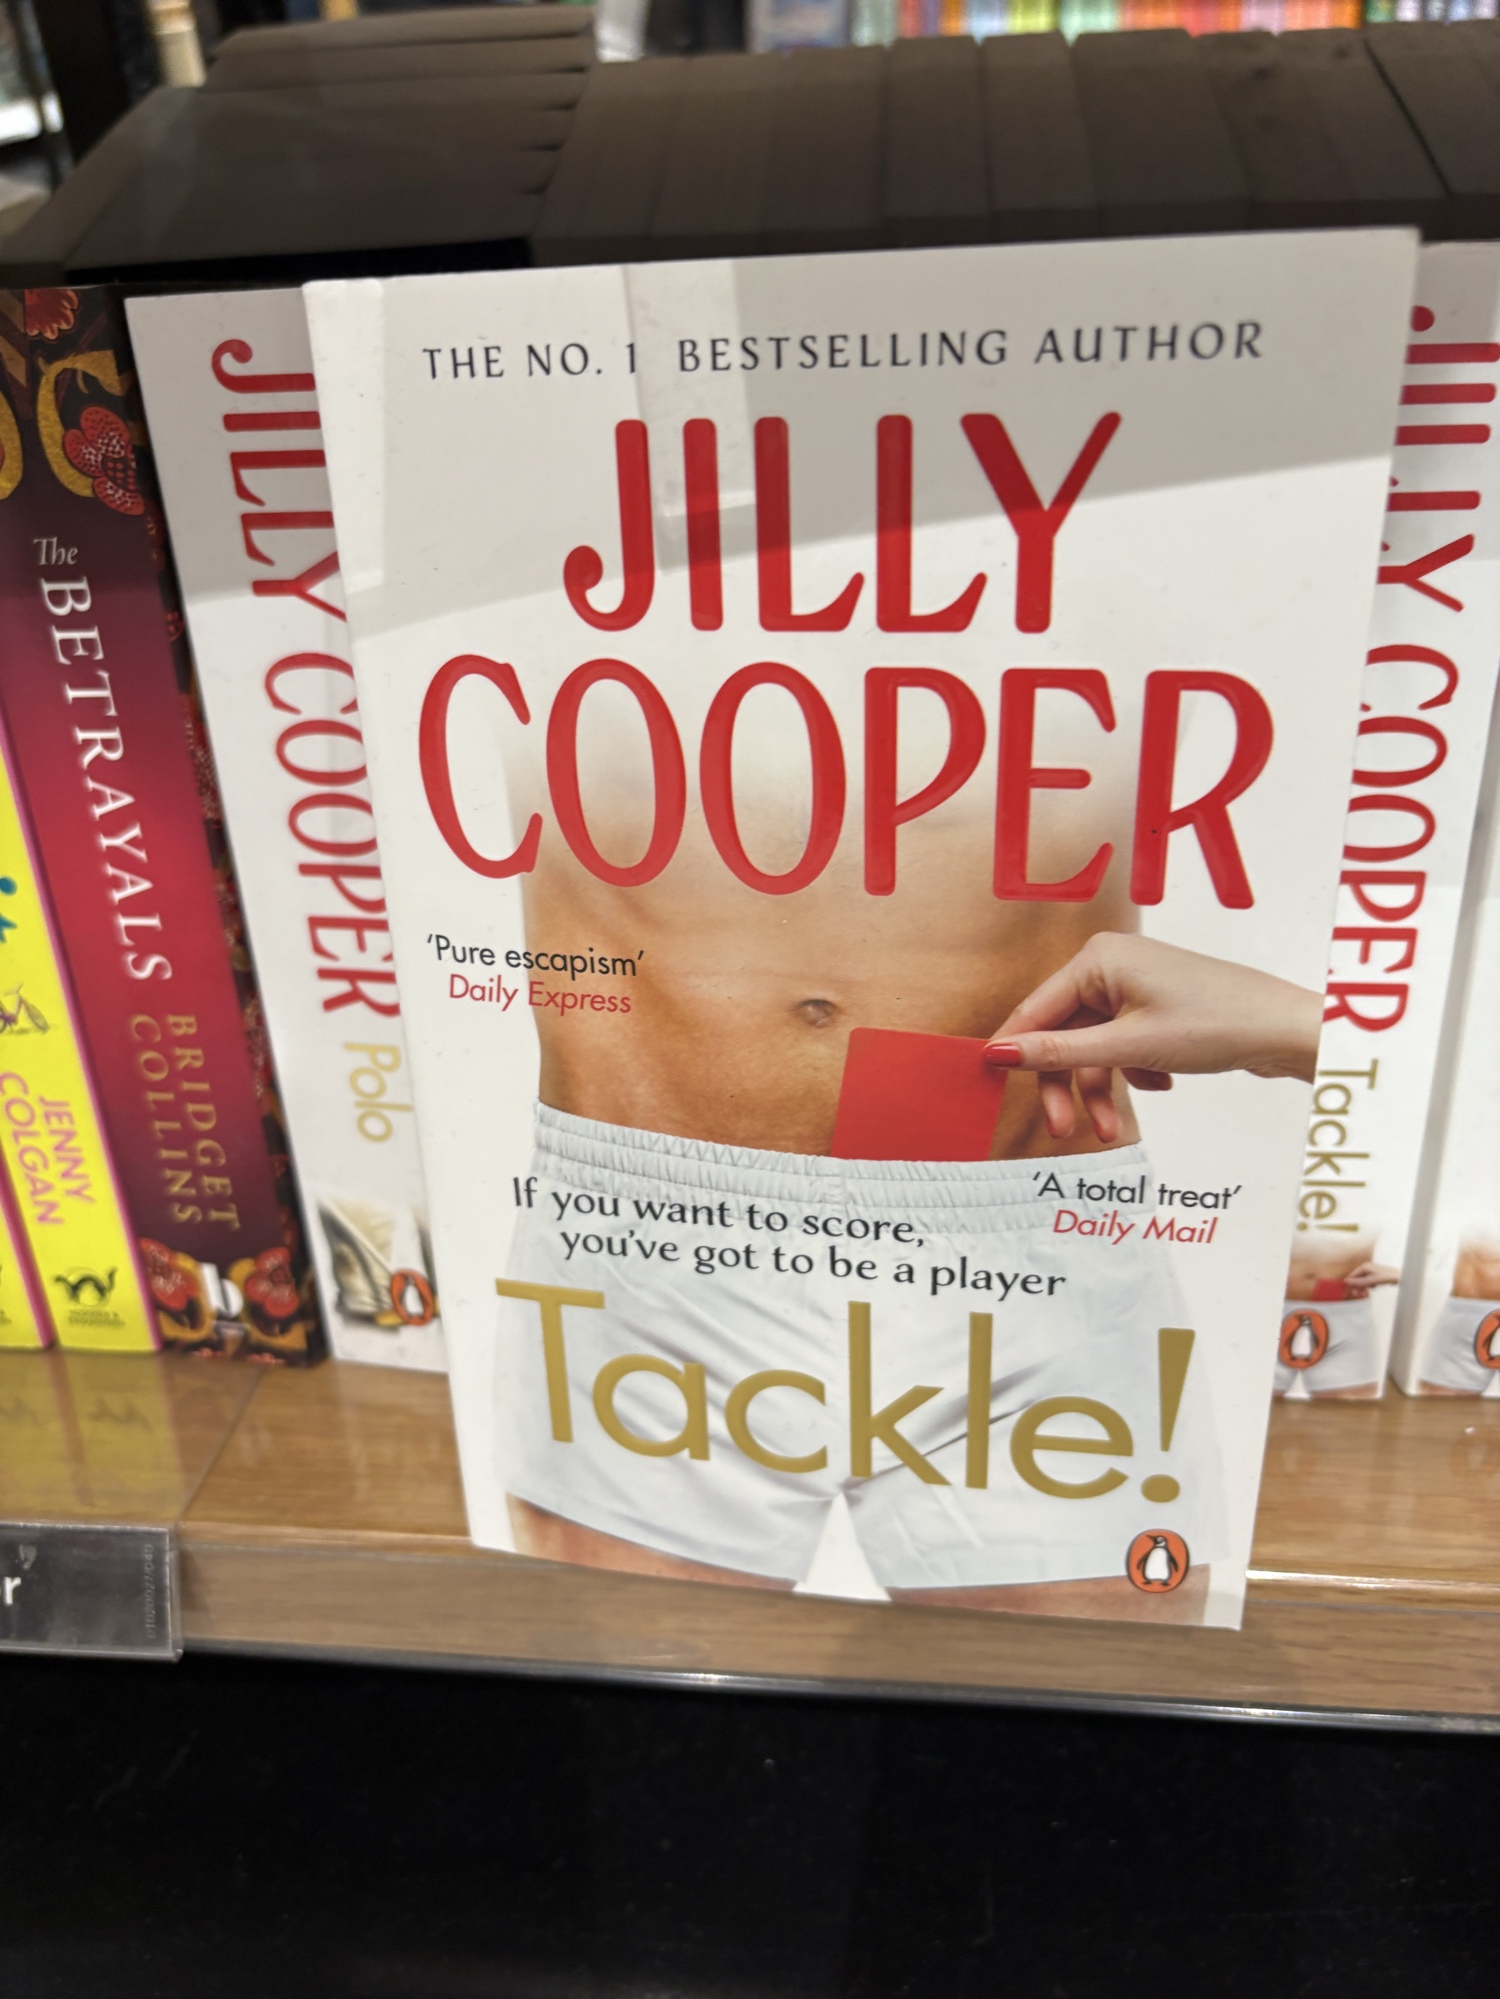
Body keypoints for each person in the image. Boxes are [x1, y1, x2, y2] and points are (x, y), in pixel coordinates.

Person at [499, 704, 1322, 1617]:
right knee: (634, 1690)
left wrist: (1297, 1029)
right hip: (644, 1238)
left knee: (1097, 1694)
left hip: (1030, 1232)